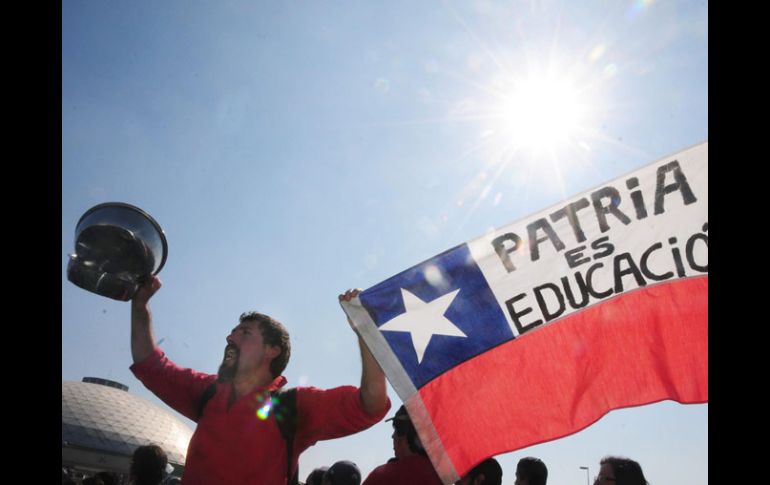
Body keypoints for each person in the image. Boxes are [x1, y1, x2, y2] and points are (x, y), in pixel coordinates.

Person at [130, 280, 390, 485]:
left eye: (244, 332)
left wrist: (365, 330)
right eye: (233, 331)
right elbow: (151, 366)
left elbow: (372, 402)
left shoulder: (294, 407)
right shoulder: (207, 392)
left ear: (272, 350)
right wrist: (140, 305)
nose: (229, 337)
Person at [362, 405, 442, 485]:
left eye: (396, 429)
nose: (392, 436)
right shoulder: (445, 476)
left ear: (403, 433)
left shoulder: (384, 476)